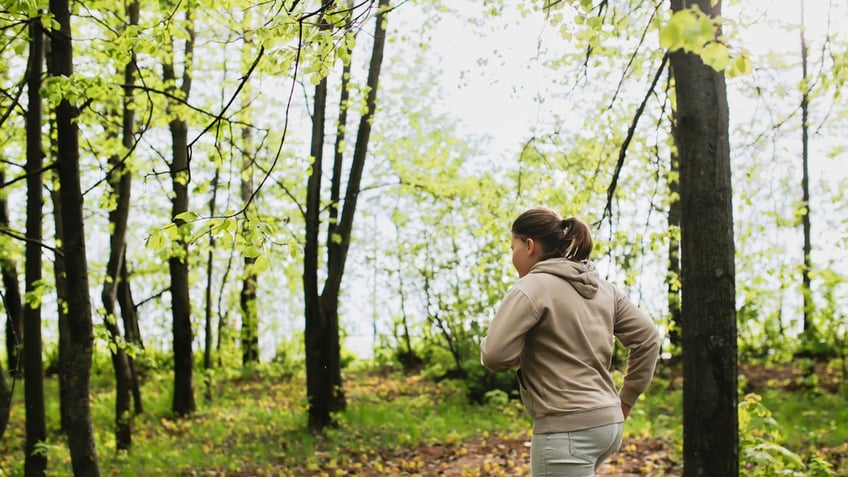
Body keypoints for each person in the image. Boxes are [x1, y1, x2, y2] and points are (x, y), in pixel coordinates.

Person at [481, 207, 660, 477]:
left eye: (512, 248)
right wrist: (627, 398)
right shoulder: (603, 288)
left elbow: (494, 355)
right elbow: (648, 336)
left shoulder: (531, 287)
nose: (512, 257)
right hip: (608, 423)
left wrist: (514, 352)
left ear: (529, 246)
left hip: (567, 429)